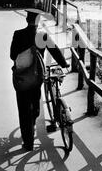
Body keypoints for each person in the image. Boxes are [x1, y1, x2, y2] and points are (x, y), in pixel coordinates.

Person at [10, 9, 68, 151]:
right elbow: (55, 51)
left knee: (23, 110)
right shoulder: (42, 36)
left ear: (26, 20)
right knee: (35, 106)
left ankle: (28, 143)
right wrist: (64, 63)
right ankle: (33, 121)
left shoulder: (18, 34)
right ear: (38, 21)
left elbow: (12, 56)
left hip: (22, 78)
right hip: (36, 78)